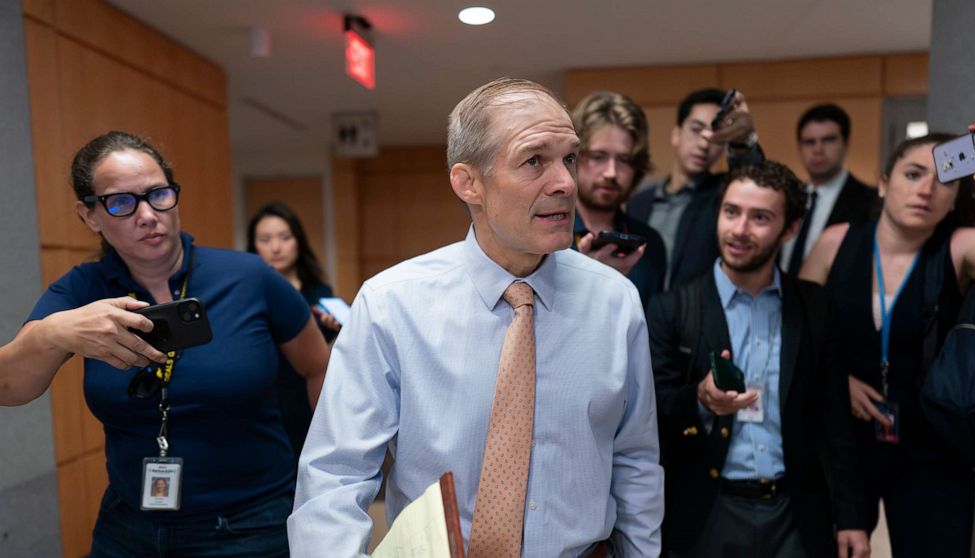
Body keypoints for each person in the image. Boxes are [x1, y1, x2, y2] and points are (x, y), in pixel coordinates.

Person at [289, 78, 663, 557]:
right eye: (534, 161)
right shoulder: (392, 305)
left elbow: (635, 462)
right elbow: (335, 475)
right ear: (469, 183)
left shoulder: (615, 303)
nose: (567, 183)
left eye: (569, 158)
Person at [0, 131, 329, 557]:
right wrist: (53, 332)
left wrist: (320, 472)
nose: (147, 214)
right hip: (129, 527)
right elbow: (9, 387)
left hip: (252, 523)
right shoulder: (82, 290)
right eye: (121, 202)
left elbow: (319, 367)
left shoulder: (249, 277)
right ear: (90, 216)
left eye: (158, 194)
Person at [648, 160, 869, 557]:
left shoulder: (814, 309)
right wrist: (700, 398)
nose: (739, 230)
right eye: (731, 212)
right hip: (708, 510)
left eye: (760, 217)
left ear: (791, 229)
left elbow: (836, 420)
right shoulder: (674, 309)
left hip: (794, 513)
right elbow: (654, 411)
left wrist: (852, 517)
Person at [800, 124, 975, 558]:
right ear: (884, 184)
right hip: (844, 446)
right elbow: (796, 334)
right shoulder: (837, 242)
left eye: (946, 179)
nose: (927, 189)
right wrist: (839, 381)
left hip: (933, 452)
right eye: (913, 174)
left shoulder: (960, 247)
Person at [627, 87, 763, 289]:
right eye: (696, 129)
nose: (705, 143)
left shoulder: (723, 194)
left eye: (715, 135)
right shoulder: (639, 202)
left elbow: (756, 185)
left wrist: (743, 141)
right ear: (676, 134)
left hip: (695, 314)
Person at [248, 202, 340, 458]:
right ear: (253, 246)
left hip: (307, 400)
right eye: (265, 239)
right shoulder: (246, 294)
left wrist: (335, 333)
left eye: (284, 238)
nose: (275, 248)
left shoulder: (320, 293)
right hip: (260, 401)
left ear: (298, 241)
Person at [571, 91, 666, 308]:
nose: (611, 172)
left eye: (624, 160)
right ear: (574, 157)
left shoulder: (649, 244)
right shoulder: (546, 236)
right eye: (598, 157)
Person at [780, 103, 876, 274]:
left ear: (846, 143)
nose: (818, 150)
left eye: (828, 140)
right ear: (799, 147)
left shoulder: (870, 201)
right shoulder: (785, 198)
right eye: (809, 142)